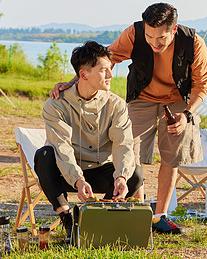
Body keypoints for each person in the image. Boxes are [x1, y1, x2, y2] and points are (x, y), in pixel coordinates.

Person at [50, 3, 207, 234]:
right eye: (149, 35)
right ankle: (137, 209)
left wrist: (187, 115)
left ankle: (159, 216)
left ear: (173, 30)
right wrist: (74, 82)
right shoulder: (133, 34)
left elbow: (201, 86)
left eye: (161, 38)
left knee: (172, 154)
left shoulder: (193, 42)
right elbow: (103, 60)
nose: (155, 42)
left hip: (178, 99)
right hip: (142, 96)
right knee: (127, 148)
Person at [35, 41, 144, 243]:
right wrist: (77, 179)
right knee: (44, 156)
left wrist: (121, 176)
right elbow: (62, 148)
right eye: (104, 70)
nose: (110, 75)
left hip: (101, 171)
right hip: (68, 174)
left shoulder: (116, 105)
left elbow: (123, 144)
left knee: (135, 173)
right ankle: (68, 219)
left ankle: (104, 216)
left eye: (110, 69)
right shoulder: (56, 105)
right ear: (83, 75)